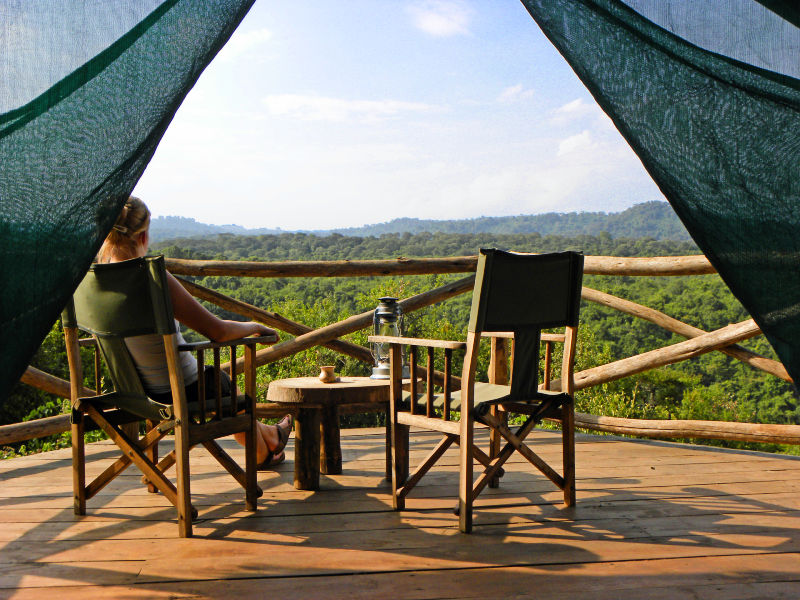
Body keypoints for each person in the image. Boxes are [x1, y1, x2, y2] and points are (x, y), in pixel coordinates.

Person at [96, 196, 290, 468]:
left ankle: (271, 435)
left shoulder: (94, 281)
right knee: (223, 387)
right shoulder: (153, 277)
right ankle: (262, 452)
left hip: (133, 393)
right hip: (182, 389)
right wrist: (255, 326)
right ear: (142, 236)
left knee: (222, 389)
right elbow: (219, 332)